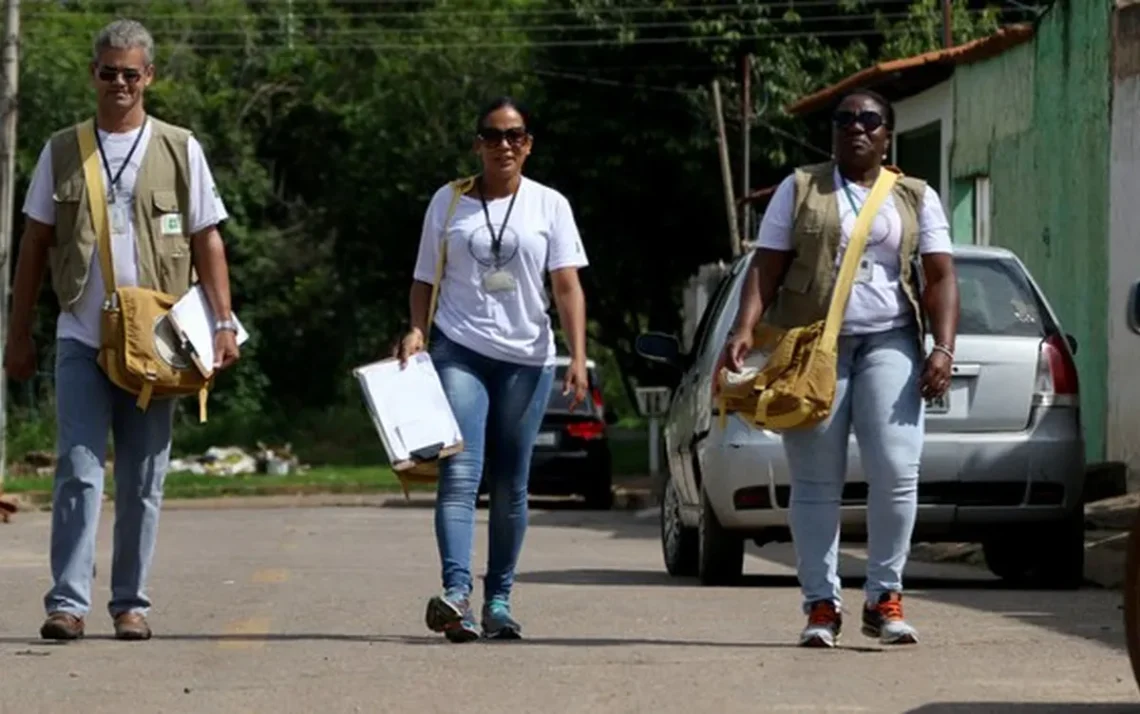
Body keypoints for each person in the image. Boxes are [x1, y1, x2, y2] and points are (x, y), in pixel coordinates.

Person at [3, 19, 239, 642]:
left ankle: (130, 603)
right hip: (82, 336)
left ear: (149, 77)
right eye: (109, 72)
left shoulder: (180, 147)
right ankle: (68, 603)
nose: (120, 84)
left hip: (159, 347)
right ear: (94, 75)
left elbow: (206, 238)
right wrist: (18, 333)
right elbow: (34, 243)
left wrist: (223, 324)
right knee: (79, 470)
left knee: (141, 478)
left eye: (131, 74)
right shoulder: (61, 150)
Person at [722, 89, 959, 648]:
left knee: (898, 470)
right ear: (832, 131)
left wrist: (943, 348)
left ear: (887, 135)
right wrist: (743, 328)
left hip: (890, 342)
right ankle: (821, 604)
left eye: (870, 119)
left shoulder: (915, 196)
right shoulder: (800, 188)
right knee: (815, 482)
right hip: (812, 349)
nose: (856, 127)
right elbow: (767, 267)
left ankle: (884, 597)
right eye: (844, 119)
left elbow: (941, 277)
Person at [396, 96, 590, 642]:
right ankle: (456, 595)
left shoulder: (550, 205)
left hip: (527, 360)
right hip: (461, 349)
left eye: (514, 135)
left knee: (511, 483)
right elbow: (423, 280)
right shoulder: (448, 201)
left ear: (528, 144)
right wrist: (417, 328)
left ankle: (499, 598)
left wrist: (576, 356)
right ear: (476, 143)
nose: (503, 145)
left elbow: (567, 286)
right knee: (461, 472)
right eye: (492, 135)